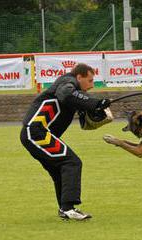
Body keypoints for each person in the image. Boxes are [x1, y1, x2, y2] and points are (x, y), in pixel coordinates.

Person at [20, 63, 111, 221]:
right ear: (79, 77)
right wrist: (95, 103)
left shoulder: (75, 91)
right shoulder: (67, 83)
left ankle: (65, 209)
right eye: (89, 81)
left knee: (60, 170)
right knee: (71, 162)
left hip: (36, 133)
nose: (91, 85)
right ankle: (69, 208)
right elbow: (67, 95)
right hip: (36, 132)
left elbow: (84, 119)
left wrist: (96, 109)